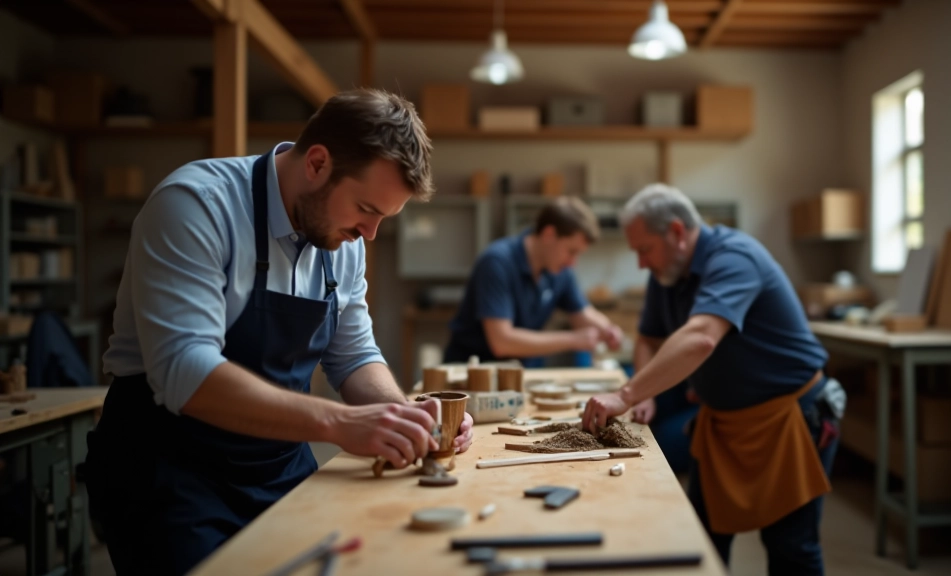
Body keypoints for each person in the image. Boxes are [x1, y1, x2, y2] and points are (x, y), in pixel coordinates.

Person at [86, 89, 474, 576]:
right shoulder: (196, 205)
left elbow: (353, 355)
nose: (370, 234)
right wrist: (340, 424)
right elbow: (185, 372)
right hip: (171, 472)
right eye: (366, 210)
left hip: (277, 465)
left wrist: (401, 416)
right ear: (316, 163)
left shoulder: (344, 239)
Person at [583, 184, 843, 576]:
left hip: (789, 418)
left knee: (791, 548)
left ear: (676, 232)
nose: (640, 263)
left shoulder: (736, 257)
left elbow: (702, 335)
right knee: (701, 537)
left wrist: (625, 394)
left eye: (644, 249)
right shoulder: (666, 273)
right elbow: (650, 338)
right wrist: (643, 393)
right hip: (724, 424)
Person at [444, 196, 622, 367]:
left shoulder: (559, 270)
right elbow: (502, 342)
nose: (572, 262)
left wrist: (607, 329)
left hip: (519, 372)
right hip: (471, 375)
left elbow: (582, 314)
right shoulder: (497, 262)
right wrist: (574, 339)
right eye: (571, 251)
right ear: (549, 234)